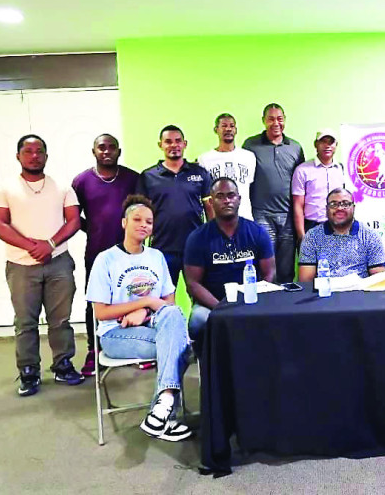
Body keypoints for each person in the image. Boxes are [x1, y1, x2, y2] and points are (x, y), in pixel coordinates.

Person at [87, 195, 192, 441]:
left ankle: (163, 406)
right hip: (115, 333)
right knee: (180, 346)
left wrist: (144, 312)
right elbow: (100, 312)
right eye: (137, 219)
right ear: (124, 222)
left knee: (174, 319)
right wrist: (145, 301)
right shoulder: (106, 260)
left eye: (149, 221)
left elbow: (169, 306)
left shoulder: (156, 257)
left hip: (154, 325)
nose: (144, 225)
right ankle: (168, 414)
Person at [0, 134, 84, 396]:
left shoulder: (63, 186)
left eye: (39, 151)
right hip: (21, 266)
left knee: (60, 319)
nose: (34, 156)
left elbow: (74, 221)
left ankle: (63, 365)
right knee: (25, 322)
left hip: (59, 264)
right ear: (18, 156)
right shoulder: (5, 189)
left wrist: (50, 244)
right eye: (28, 151)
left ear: (46, 155)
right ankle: (29, 371)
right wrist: (32, 246)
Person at [71, 133, 140, 377]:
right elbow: (71, 215)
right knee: (95, 302)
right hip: (96, 252)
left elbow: (142, 210)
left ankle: (133, 346)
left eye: (112, 147)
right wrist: (89, 227)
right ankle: (94, 349)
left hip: (129, 253)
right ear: (94, 151)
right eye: (102, 147)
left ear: (119, 151)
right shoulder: (81, 181)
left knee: (130, 298)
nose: (107, 151)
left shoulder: (133, 178)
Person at [184, 177, 275, 350]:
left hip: (250, 301)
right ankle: (208, 367)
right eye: (220, 196)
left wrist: (253, 302)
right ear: (211, 202)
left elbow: (269, 274)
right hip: (212, 304)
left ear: (239, 199)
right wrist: (221, 308)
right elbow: (193, 283)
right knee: (198, 321)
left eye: (231, 195)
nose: (226, 200)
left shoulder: (257, 232)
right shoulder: (198, 237)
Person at [137, 125, 213, 285]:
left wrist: (212, 239)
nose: (174, 145)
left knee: (201, 297)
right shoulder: (148, 176)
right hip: (162, 249)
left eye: (178, 141)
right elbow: (140, 214)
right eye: (168, 141)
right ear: (160, 145)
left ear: (185, 144)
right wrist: (140, 247)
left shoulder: (200, 173)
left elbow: (210, 209)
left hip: (195, 247)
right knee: (162, 299)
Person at [243, 103, 305, 283]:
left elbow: (300, 182)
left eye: (279, 119)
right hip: (261, 213)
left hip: (288, 216)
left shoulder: (295, 147)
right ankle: (265, 308)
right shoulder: (250, 145)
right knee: (265, 268)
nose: (276, 123)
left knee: (286, 269)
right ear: (263, 121)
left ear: (285, 120)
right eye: (271, 119)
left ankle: (284, 308)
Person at [298, 188, 385, 282]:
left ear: (353, 207)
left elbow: (379, 278)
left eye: (345, 204)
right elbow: (305, 281)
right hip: (326, 292)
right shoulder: (312, 236)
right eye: (333, 204)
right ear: (326, 209)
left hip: (359, 293)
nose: (339, 208)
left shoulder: (370, 236)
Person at [197, 113, 256, 221]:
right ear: (216, 130)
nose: (228, 129)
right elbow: (206, 195)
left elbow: (250, 188)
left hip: (245, 218)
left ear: (236, 130)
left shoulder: (249, 157)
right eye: (224, 126)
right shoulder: (204, 159)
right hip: (219, 221)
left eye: (231, 126)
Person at [292, 129, 345, 245]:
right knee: (311, 263)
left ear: (336, 145)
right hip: (312, 226)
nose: (327, 146)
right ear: (316, 144)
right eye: (323, 141)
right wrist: (302, 235)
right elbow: (297, 205)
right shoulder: (302, 170)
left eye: (331, 142)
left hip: (336, 226)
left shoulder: (342, 170)